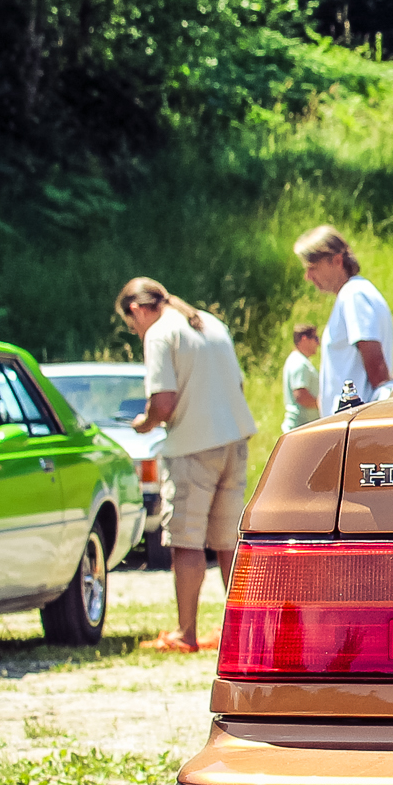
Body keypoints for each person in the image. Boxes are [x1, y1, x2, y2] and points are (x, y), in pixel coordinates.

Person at [115, 277, 256, 653]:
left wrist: (144, 423)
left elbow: (163, 403)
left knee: (186, 541)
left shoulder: (160, 333)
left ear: (136, 310)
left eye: (131, 325)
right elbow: (239, 386)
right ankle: (244, 635)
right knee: (229, 542)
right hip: (234, 440)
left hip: (193, 446)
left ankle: (186, 633)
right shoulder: (211, 323)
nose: (136, 331)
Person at [294, 225, 393, 412]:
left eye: (313, 268)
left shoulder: (353, 295)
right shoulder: (354, 293)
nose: (308, 277)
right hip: (353, 418)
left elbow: (376, 365)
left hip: (357, 418)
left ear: (337, 260)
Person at [281, 323, 319, 431]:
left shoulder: (299, 360)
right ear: (304, 339)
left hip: (302, 428)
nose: (318, 343)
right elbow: (301, 396)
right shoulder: (299, 363)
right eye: (315, 338)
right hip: (300, 429)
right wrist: (322, 404)